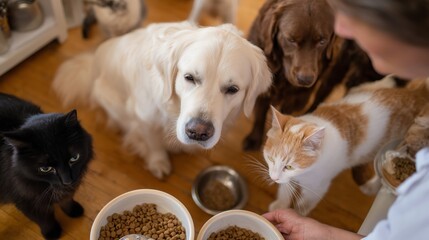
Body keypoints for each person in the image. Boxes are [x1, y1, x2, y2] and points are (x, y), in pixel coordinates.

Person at [262, 0, 429, 239]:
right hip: (360, 110)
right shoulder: (292, 128)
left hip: (386, 118)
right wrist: (325, 233)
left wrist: (302, 212)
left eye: (353, 13)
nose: (339, 29)